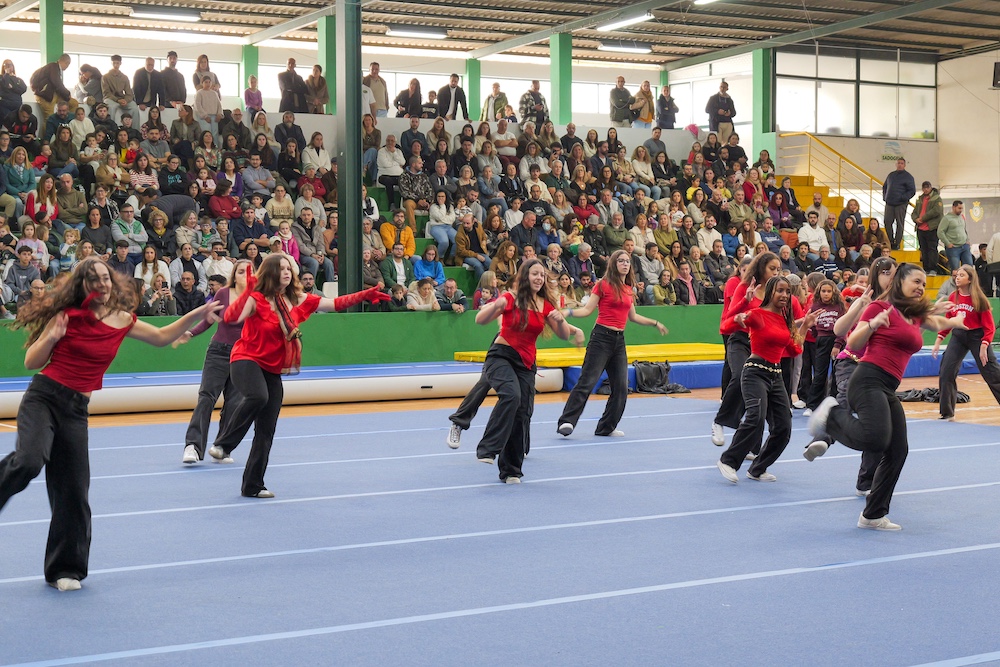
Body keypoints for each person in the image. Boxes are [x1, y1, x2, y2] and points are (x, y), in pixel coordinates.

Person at [0, 257, 220, 591]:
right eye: (93, 279)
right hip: (43, 398)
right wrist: (51, 337)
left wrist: (199, 313)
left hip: (76, 410)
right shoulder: (67, 316)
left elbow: (162, 337)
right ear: (82, 285)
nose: (101, 284)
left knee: (74, 490)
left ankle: (64, 569)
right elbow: (32, 361)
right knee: (30, 460)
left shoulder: (122, 319)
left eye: (105, 277)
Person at [206, 254, 389, 497]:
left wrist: (364, 295)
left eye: (288, 268)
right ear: (270, 273)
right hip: (245, 359)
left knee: (266, 430)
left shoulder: (300, 299)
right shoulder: (257, 298)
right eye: (281, 268)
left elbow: (335, 304)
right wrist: (248, 291)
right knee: (258, 397)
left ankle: (253, 485)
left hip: (272, 367)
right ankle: (223, 444)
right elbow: (231, 318)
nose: (287, 272)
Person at [805, 263, 969, 530]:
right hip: (868, 379)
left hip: (887, 387)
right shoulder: (879, 308)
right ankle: (831, 415)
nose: (921, 287)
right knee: (876, 438)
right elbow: (853, 342)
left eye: (923, 283)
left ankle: (872, 515)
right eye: (916, 281)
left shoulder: (913, 315)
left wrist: (953, 321)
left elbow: (936, 321)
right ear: (899, 282)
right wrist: (872, 325)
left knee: (898, 449)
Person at [455, 259, 583, 480]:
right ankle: (487, 448)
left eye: (542, 275)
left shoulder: (545, 304)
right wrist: (495, 306)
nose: (539, 278)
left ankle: (511, 470)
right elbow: (479, 320)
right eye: (535, 274)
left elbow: (563, 335)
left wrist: (561, 321)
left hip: (526, 363)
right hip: (502, 356)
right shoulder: (510, 298)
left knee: (522, 412)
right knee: (511, 395)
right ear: (525, 276)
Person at [557, 248, 668, 437]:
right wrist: (568, 312)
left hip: (618, 341)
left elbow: (633, 316)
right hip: (601, 338)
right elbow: (587, 310)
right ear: (614, 264)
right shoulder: (603, 285)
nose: (625, 264)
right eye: (621, 261)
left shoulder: (628, 289)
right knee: (587, 381)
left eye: (627, 261)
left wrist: (655, 323)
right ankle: (567, 421)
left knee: (621, 388)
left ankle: (606, 427)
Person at [716, 276, 815, 483]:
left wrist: (805, 326)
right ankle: (728, 461)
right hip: (755, 373)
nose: (785, 295)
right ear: (770, 292)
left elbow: (795, 349)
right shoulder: (757, 314)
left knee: (784, 427)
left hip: (776, 376)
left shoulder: (784, 320)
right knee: (756, 417)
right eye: (780, 290)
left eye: (788, 292)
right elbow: (725, 327)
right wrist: (740, 311)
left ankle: (758, 468)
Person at [175, 259, 253, 463]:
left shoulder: (257, 298)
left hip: (243, 356)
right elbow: (209, 319)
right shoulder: (223, 294)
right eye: (241, 271)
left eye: (249, 272)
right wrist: (191, 333)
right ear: (234, 275)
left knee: (234, 403)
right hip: (219, 352)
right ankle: (193, 446)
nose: (245, 275)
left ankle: (221, 447)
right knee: (206, 397)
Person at [711, 252, 782, 446]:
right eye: (772, 269)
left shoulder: (774, 292)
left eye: (778, 269)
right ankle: (720, 421)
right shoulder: (744, 287)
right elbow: (729, 316)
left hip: (760, 345)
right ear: (761, 268)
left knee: (758, 395)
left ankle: (753, 445)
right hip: (740, 339)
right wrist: (744, 304)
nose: (776, 273)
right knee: (740, 375)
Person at [932, 264, 1000, 421]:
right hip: (959, 335)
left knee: (991, 373)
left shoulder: (979, 299)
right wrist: (939, 339)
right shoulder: (953, 297)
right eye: (957, 275)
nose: (957, 278)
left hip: (977, 337)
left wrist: (984, 345)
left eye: (961, 275)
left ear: (970, 279)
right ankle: (947, 413)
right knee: (946, 371)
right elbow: (948, 320)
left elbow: (989, 327)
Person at [882, 158, 915, 250]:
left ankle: (897, 243)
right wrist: (885, 197)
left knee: (899, 224)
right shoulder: (891, 175)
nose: (900, 165)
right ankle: (890, 241)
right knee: (887, 222)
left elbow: (912, 191)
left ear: (904, 165)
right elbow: (885, 187)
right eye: (898, 163)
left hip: (901, 204)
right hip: (889, 203)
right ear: (896, 164)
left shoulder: (908, 177)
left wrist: (903, 198)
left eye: (902, 163)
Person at [910, 180, 943, 274]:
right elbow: (914, 212)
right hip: (920, 228)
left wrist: (923, 218)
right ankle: (926, 269)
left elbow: (936, 211)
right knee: (923, 249)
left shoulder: (937, 198)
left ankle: (933, 269)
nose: (926, 189)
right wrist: (915, 219)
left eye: (927, 187)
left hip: (932, 228)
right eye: (924, 188)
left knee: (932, 249)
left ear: (931, 187)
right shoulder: (920, 199)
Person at [938, 200, 974, 270]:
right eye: (959, 208)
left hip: (964, 246)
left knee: (969, 267)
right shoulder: (947, 218)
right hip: (953, 248)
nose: (961, 210)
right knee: (955, 269)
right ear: (953, 207)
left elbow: (964, 229)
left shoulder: (961, 217)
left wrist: (967, 240)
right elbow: (940, 232)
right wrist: (947, 243)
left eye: (962, 208)